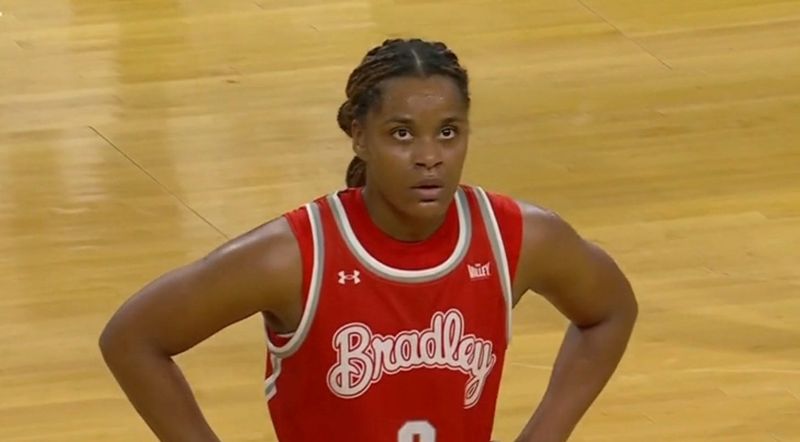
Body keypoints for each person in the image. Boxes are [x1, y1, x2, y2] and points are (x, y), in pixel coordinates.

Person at [99, 38, 638, 442]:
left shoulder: (516, 236)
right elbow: (132, 339)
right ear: (359, 135)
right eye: (402, 133)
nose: (430, 156)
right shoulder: (293, 255)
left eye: (448, 131)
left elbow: (610, 310)